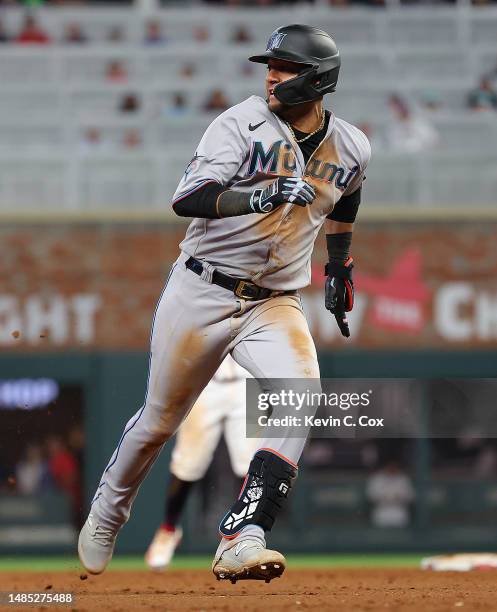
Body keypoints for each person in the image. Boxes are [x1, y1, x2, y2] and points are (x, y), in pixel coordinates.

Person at [78, 24, 370, 583]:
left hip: (274, 302)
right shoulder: (239, 122)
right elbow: (186, 197)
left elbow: (347, 200)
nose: (271, 75)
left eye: (284, 67)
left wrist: (338, 266)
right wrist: (256, 195)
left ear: (318, 79)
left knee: (300, 396)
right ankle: (109, 512)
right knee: (161, 420)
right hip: (203, 288)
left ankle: (244, 536)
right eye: (271, 65)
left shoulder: (353, 145)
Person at [145, 355, 256, 569]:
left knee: (252, 468)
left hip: (247, 382)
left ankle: (244, 536)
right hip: (205, 384)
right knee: (187, 466)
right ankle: (168, 530)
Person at [366, 461, 414, 528]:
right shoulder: (377, 478)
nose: (391, 468)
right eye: (389, 466)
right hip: (381, 510)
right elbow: (371, 496)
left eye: (394, 466)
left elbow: (410, 497)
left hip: (399, 510)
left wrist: (397, 497)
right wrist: (386, 497)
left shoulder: (403, 479)